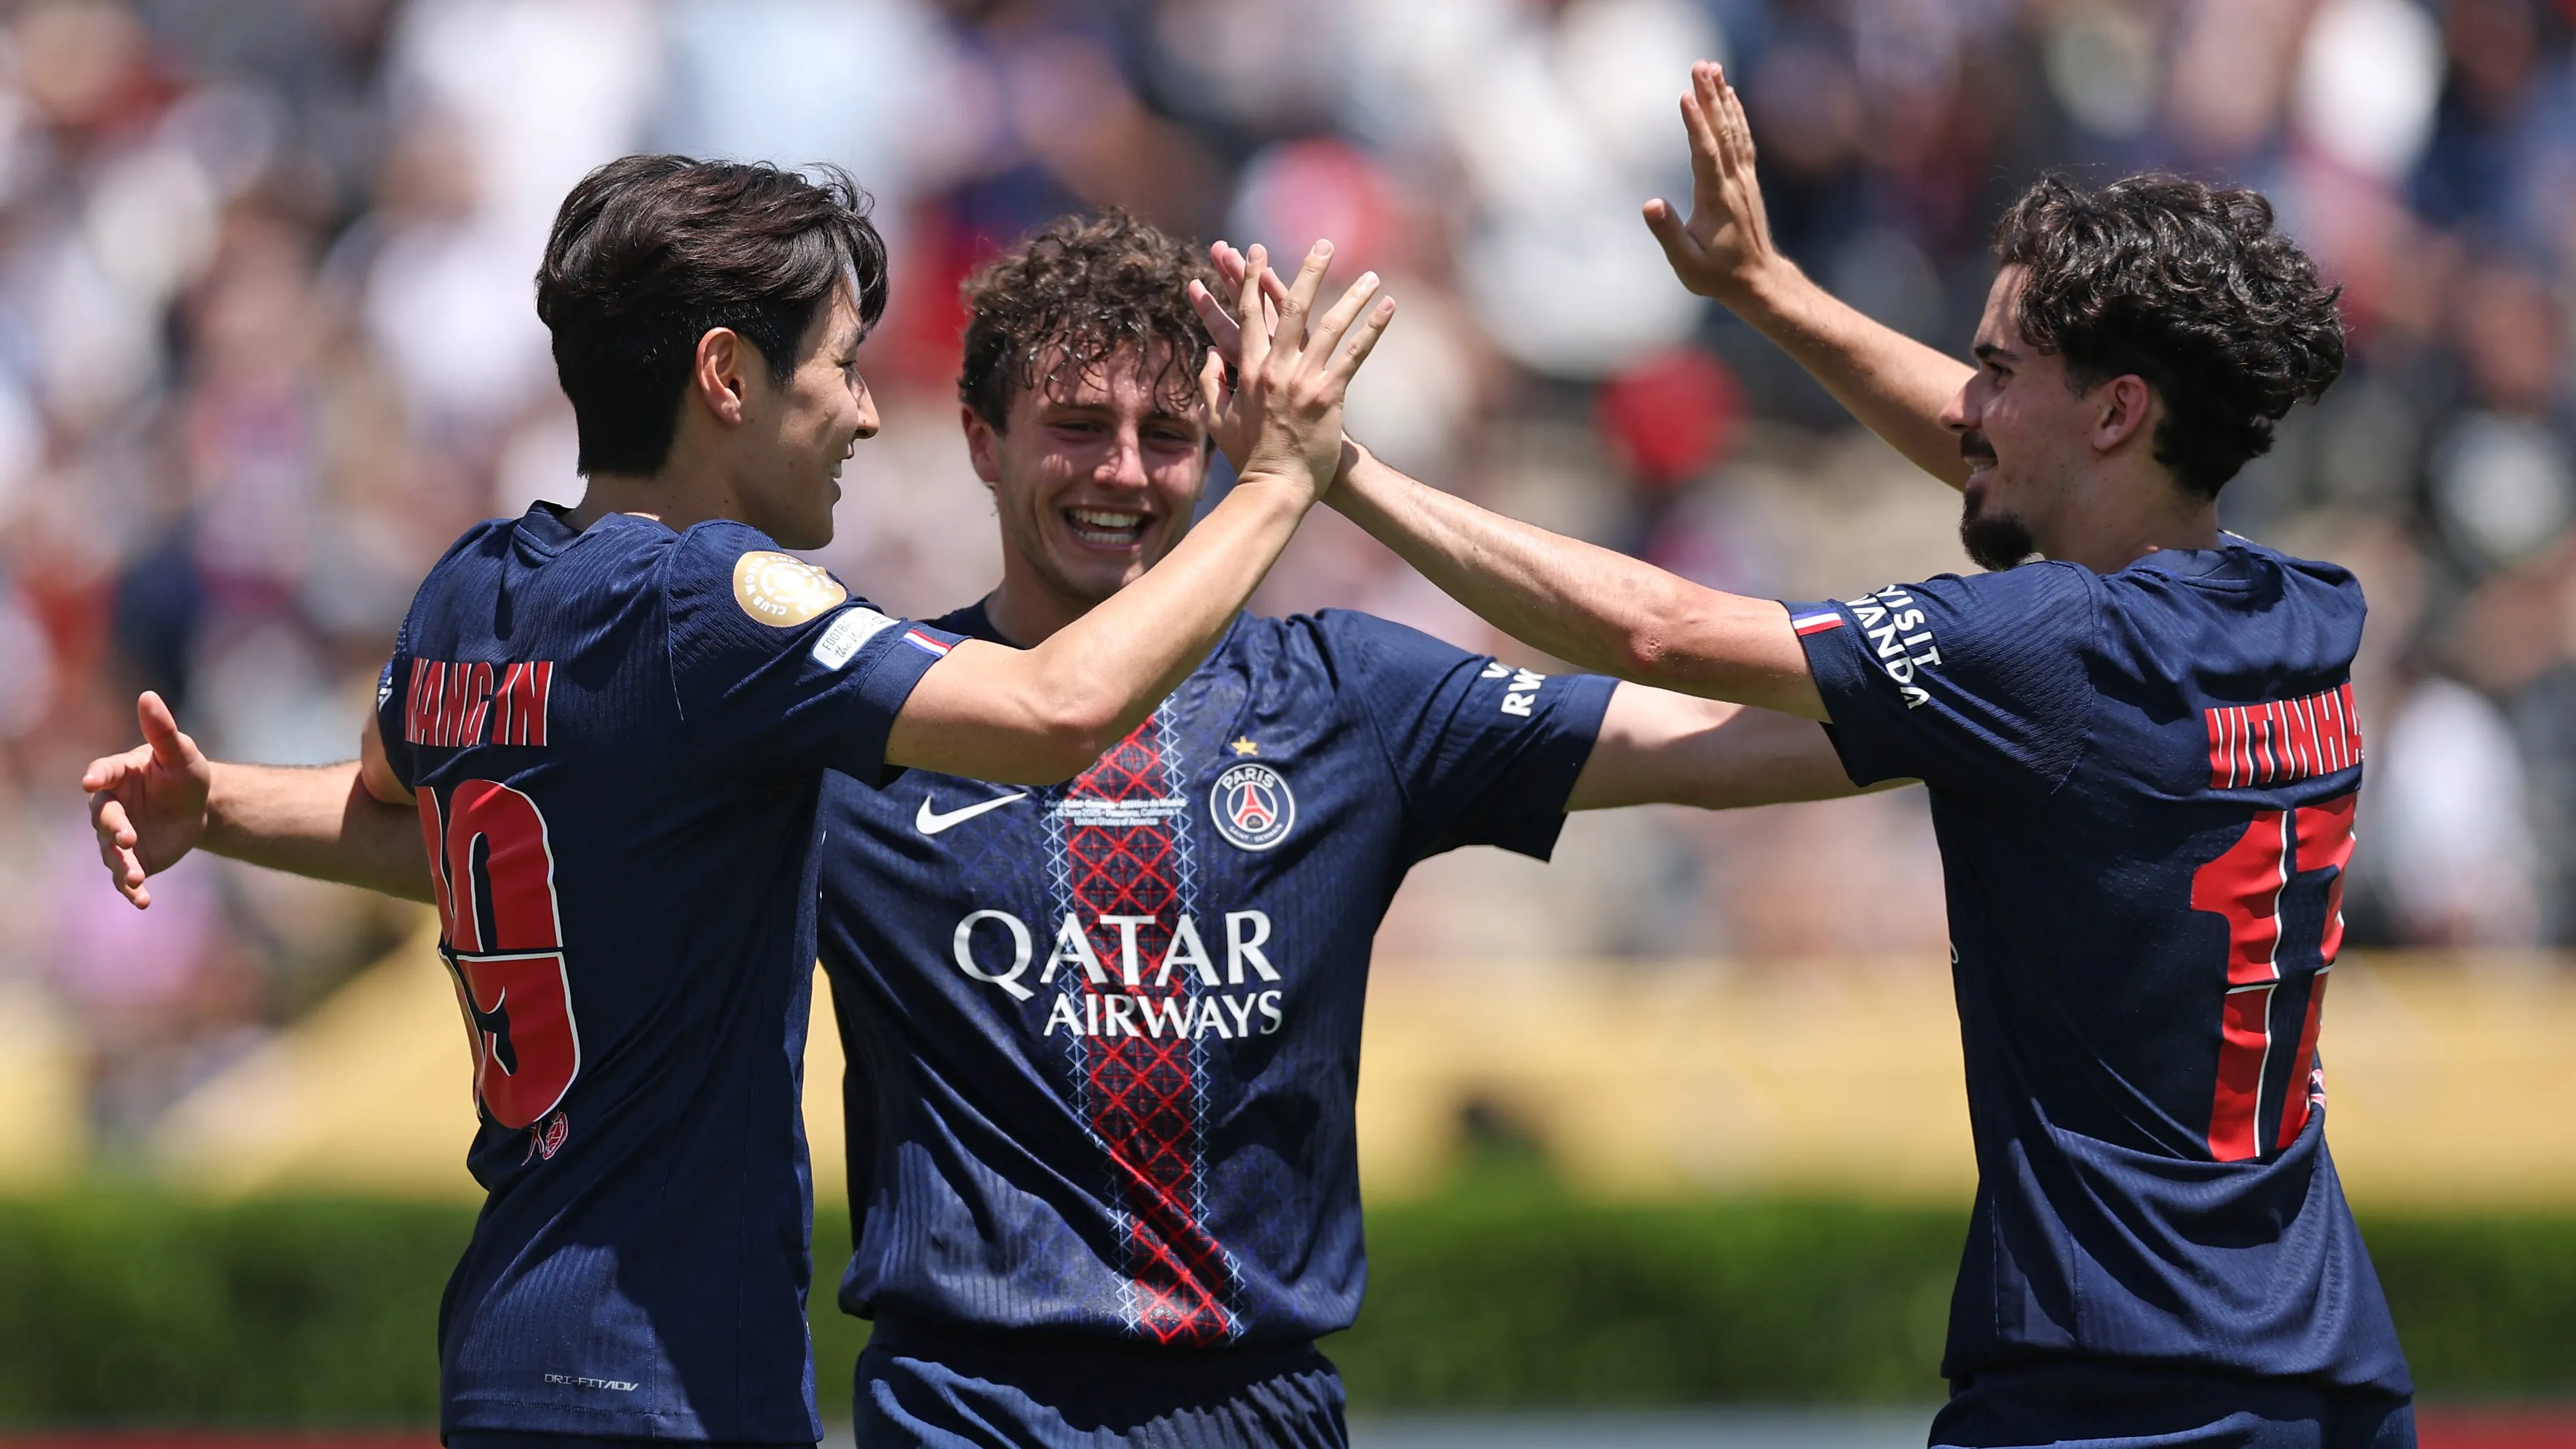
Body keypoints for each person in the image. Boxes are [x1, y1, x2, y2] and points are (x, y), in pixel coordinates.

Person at [89, 207, 1849, 1448]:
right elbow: (574, 818)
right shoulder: (838, 704)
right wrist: (1281, 482)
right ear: (986, 440)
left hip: (1261, 1403)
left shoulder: (1347, 699)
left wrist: (1993, 703)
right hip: (967, 1404)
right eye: (1076, 424)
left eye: (1173, 433)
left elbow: (1736, 744)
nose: (1125, 466)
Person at [1211, 62, 2412, 1449]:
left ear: (2117, 411)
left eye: (1997, 370)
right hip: (2322, 1363)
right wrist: (1768, 290)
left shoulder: (2053, 650)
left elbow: (1662, 630)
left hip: (2124, 1385)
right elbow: (2010, 457)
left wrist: (1335, 468)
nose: (1965, 402)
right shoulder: (2297, 609)